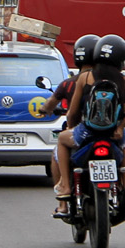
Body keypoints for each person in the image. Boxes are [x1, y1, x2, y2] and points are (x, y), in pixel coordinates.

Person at [53, 34, 125, 218]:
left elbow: (73, 111)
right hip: (113, 135)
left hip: (87, 133)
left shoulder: (85, 78)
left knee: (62, 141)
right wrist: (120, 127)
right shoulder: (123, 80)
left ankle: (66, 187)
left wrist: (71, 126)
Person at [36, 34, 98, 191]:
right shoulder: (107, 81)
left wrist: (44, 110)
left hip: (79, 132)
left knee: (57, 152)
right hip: (106, 133)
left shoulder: (69, 84)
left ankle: (64, 191)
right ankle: (124, 184)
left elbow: (51, 104)